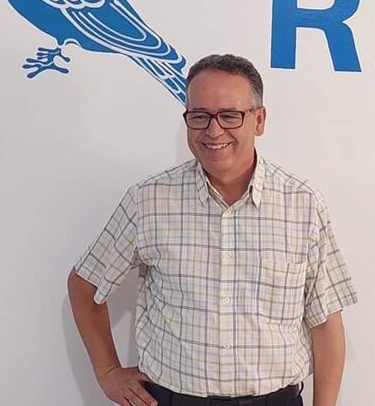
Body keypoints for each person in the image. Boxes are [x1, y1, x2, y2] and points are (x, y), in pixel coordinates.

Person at [68, 54, 358, 406]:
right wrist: (108, 372)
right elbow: (85, 284)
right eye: (200, 116)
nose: (213, 130)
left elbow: (325, 323)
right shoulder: (149, 201)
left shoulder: (303, 204)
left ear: (259, 120)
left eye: (230, 115)